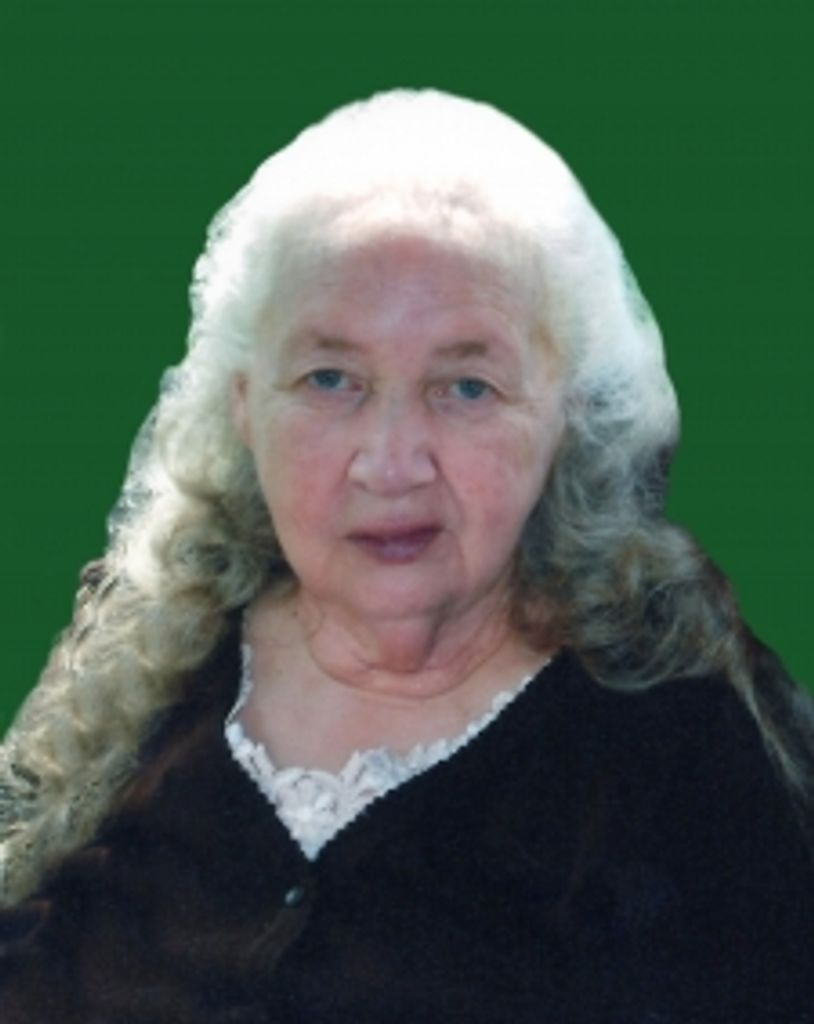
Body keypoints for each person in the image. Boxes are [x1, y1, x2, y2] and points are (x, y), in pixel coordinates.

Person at [0, 88, 812, 1023]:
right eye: (330, 379)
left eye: (466, 387)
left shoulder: (684, 744)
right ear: (244, 406)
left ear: (566, 415)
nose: (390, 464)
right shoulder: (150, 663)